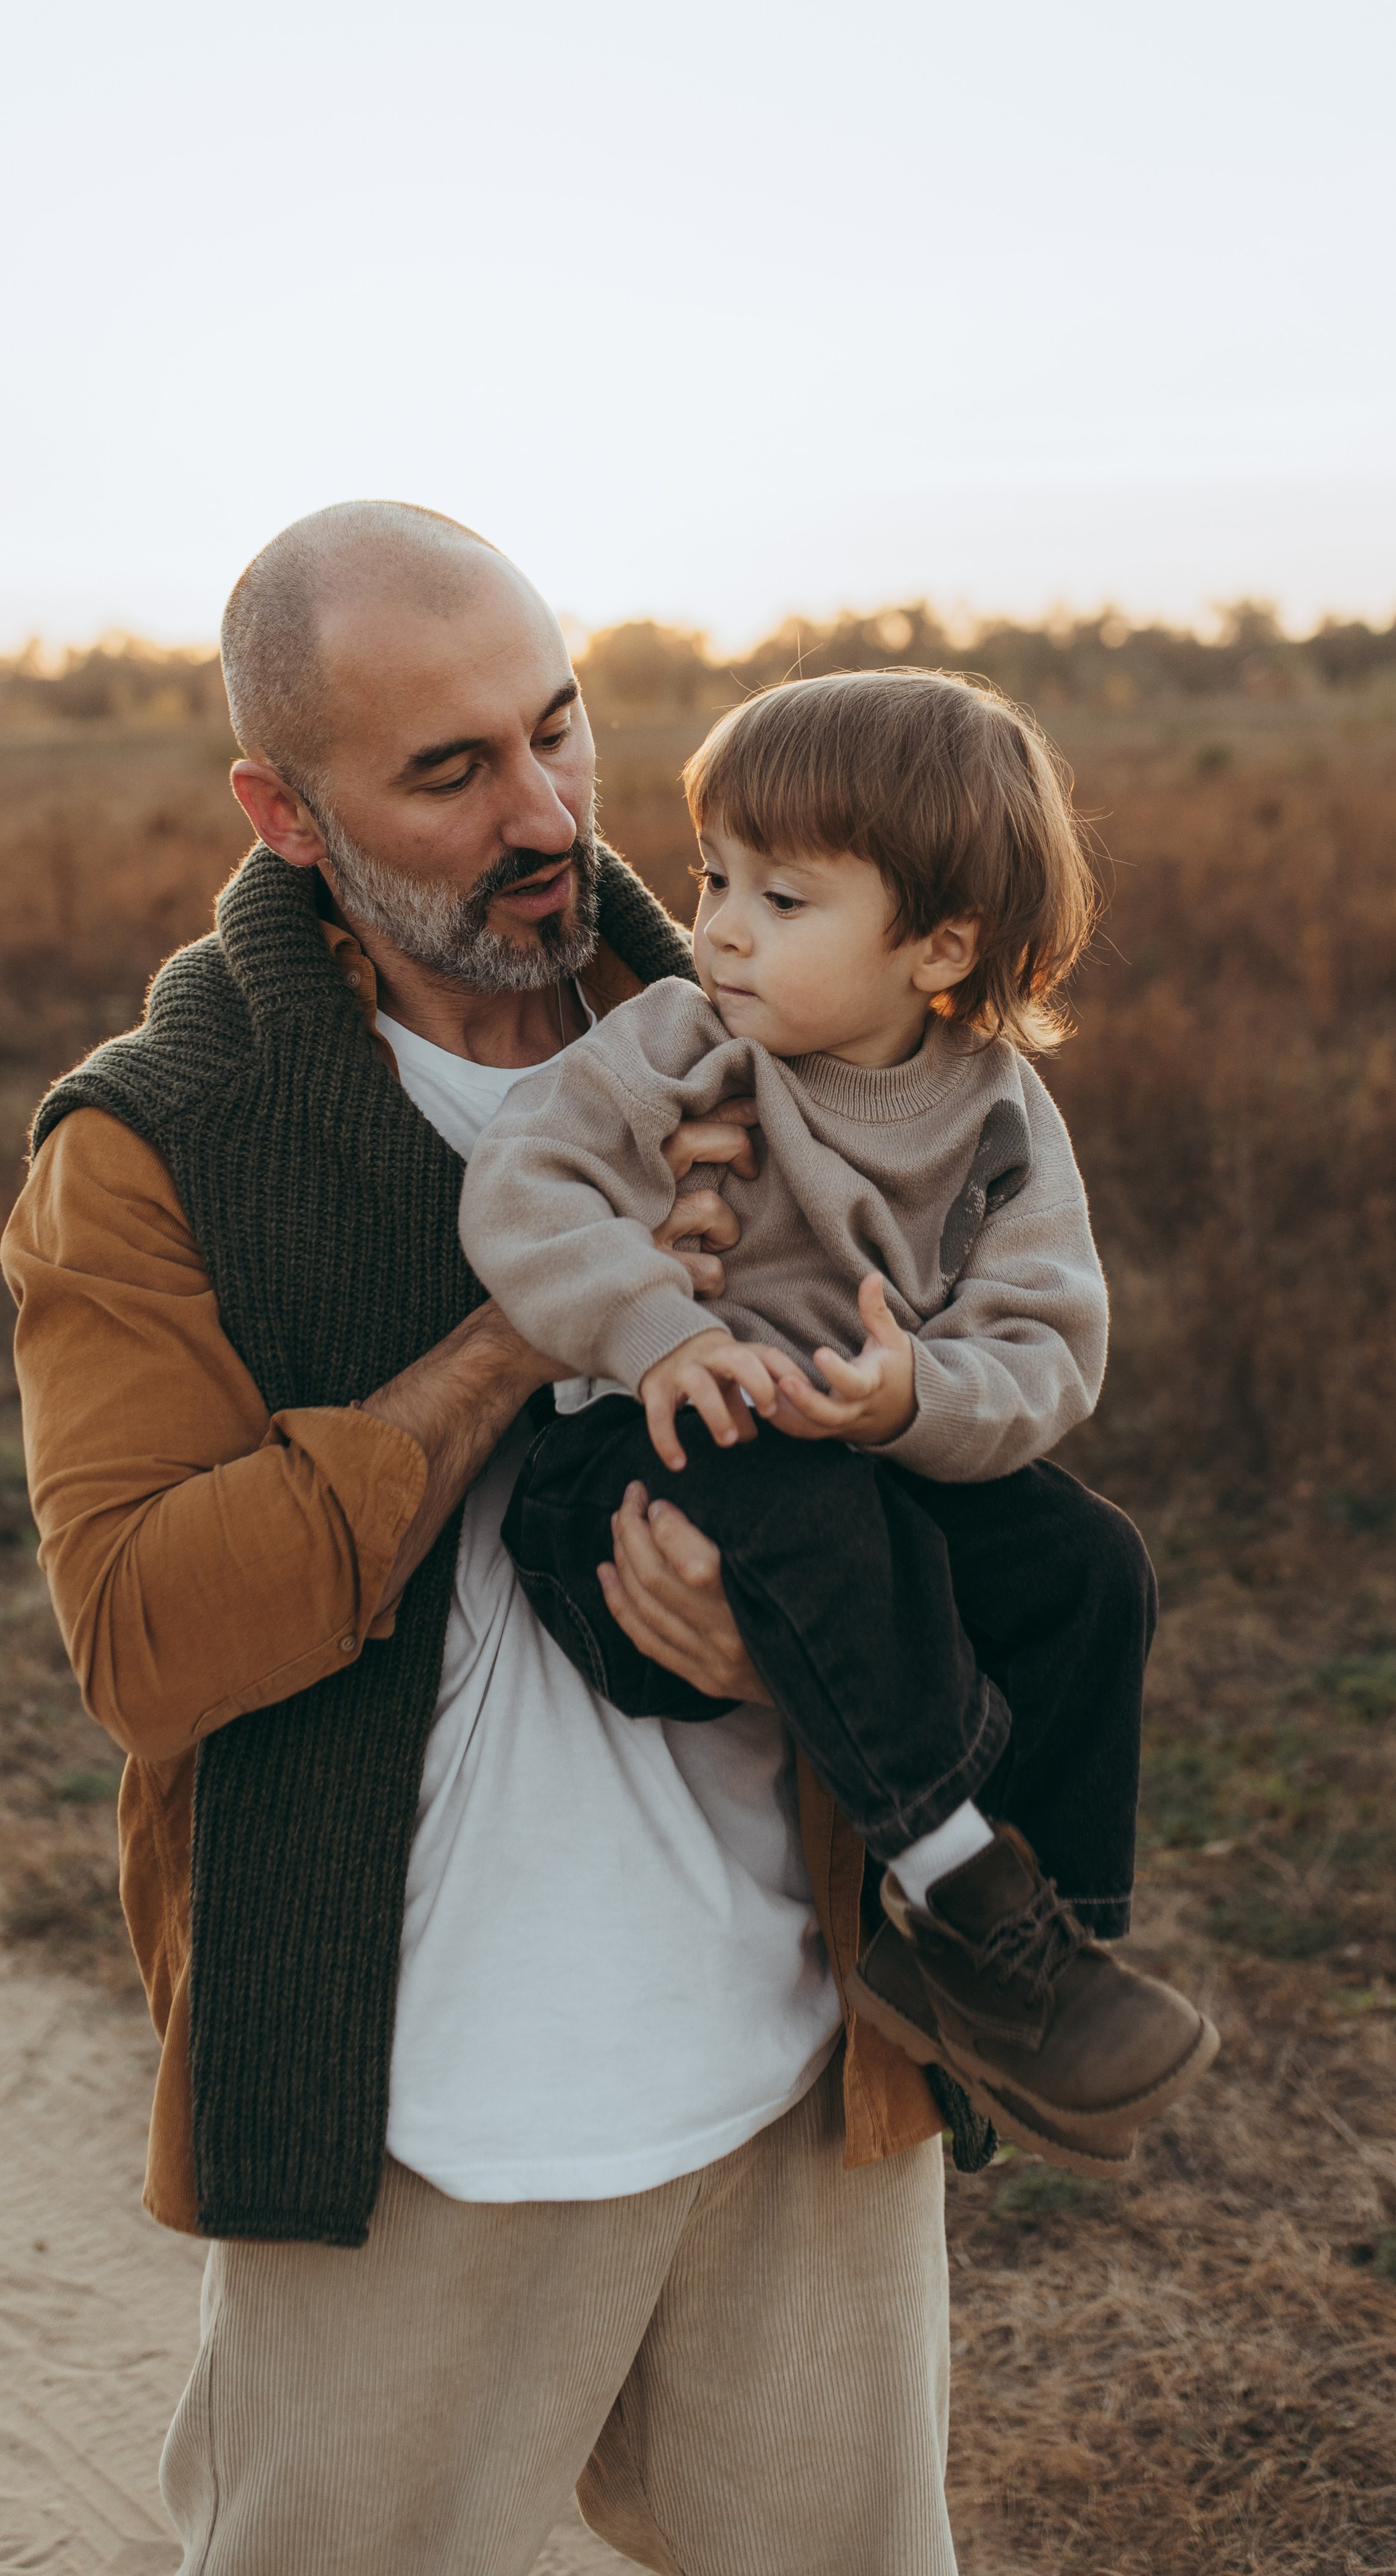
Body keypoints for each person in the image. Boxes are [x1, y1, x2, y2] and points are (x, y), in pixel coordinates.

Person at [1, 502, 960, 2576]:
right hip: (419, 2119)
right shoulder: (157, 1143)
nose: (546, 813)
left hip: (812, 2071)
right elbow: (145, 1639)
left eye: (560, 727)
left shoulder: (790, 1021)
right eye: (448, 773)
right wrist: (521, 1336)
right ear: (282, 808)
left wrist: (798, 1629)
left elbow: (985, 1434)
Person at [460, 669, 1218, 2177]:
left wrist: (913, 1396)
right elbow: (520, 1186)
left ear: (939, 946)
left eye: (783, 897)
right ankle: (959, 1893)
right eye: (711, 878)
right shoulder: (679, 1037)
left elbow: (1045, 1339)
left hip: (858, 1472)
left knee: (1088, 1565)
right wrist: (660, 1328)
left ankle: (1036, 1978)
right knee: (806, 1485)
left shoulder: (993, 1111)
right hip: (632, 1489)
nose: (720, 924)